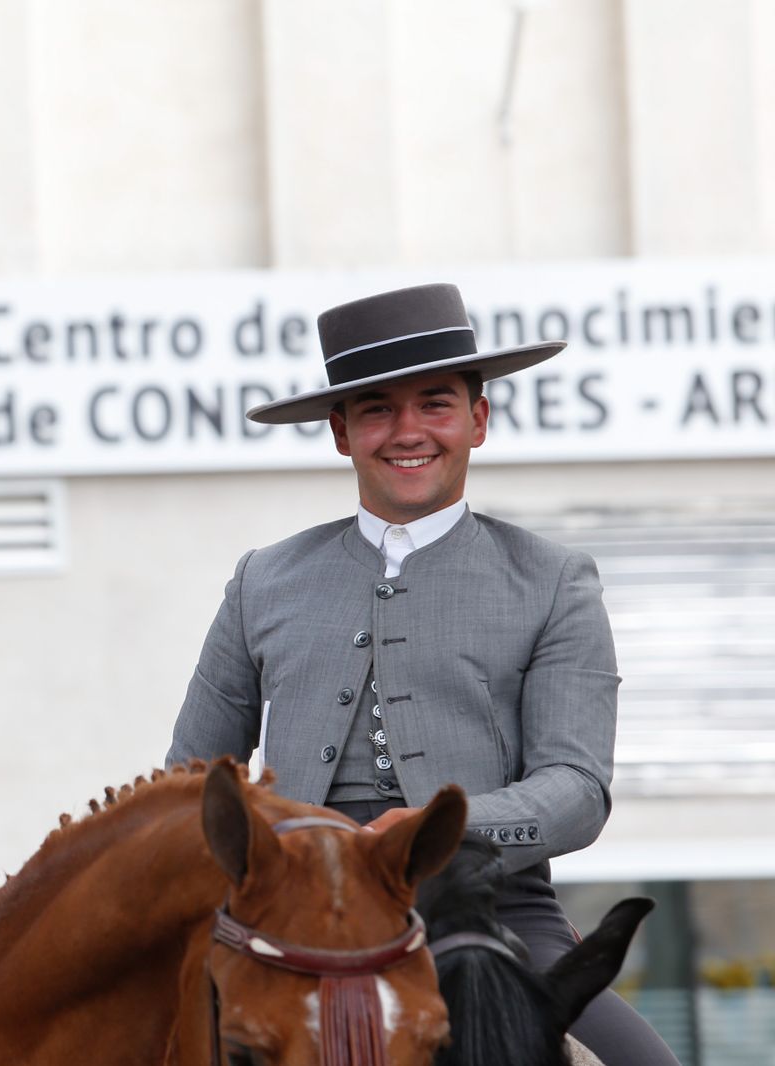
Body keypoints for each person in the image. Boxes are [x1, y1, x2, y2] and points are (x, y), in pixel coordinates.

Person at [168, 283, 677, 1064]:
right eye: (376, 409)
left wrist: (442, 830)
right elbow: (188, 780)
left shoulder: (553, 579)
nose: (407, 432)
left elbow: (576, 790)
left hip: (485, 903)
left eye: (434, 404)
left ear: (477, 418)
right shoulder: (262, 579)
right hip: (285, 910)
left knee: (645, 1065)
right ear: (342, 431)